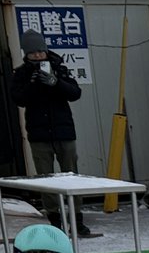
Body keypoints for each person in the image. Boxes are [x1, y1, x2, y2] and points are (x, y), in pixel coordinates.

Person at [8, 32, 99, 238]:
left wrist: (55, 82)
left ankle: (77, 220)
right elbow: (19, 99)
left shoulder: (59, 67)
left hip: (64, 131)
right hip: (39, 134)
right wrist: (34, 83)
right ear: (26, 54)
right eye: (33, 53)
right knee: (46, 179)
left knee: (72, 176)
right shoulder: (21, 74)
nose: (38, 56)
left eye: (41, 51)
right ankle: (55, 220)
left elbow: (75, 93)